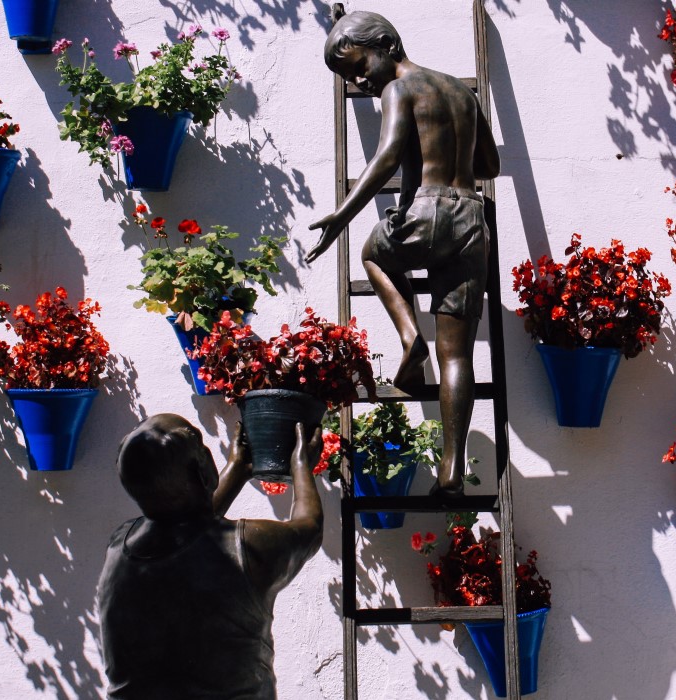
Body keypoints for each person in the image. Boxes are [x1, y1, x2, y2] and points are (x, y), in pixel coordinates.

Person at [307, 8, 501, 499]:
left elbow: (388, 154)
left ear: (387, 46)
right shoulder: (461, 90)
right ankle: (451, 475)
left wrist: (341, 216)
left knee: (373, 252)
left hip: (428, 208)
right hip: (471, 220)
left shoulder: (399, 88)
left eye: (358, 65)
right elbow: (490, 165)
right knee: (456, 355)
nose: (358, 79)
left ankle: (410, 336)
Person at [97, 415, 323, 699]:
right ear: (205, 469)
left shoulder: (119, 544)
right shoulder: (250, 546)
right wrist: (302, 465)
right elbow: (309, 529)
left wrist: (235, 471)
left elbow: (184, 525)